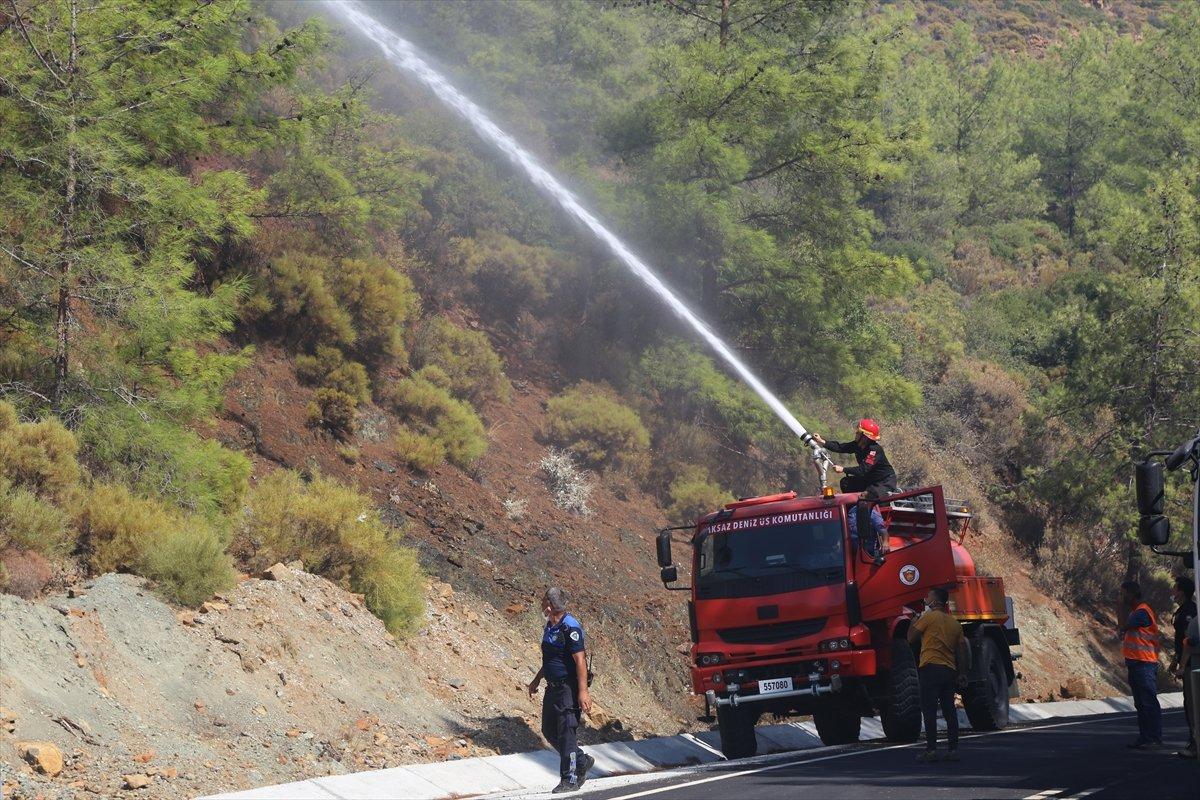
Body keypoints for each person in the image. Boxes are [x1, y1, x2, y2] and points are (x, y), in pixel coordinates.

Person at [528, 587, 595, 793]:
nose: (540, 605)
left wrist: (583, 691)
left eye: (542, 602)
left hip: (568, 688)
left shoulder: (570, 627)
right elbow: (550, 659)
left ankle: (570, 778)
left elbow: (580, 660)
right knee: (549, 730)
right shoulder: (550, 626)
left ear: (549, 605)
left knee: (567, 734)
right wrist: (536, 680)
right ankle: (581, 760)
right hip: (552, 688)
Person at [908, 586, 970, 762]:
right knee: (950, 710)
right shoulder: (954, 624)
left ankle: (931, 750)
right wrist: (962, 673)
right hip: (949, 671)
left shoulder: (928, 618)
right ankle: (953, 749)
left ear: (935, 601)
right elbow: (962, 651)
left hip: (930, 668)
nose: (926, 599)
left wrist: (914, 620)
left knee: (929, 710)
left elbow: (911, 638)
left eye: (928, 597)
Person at [1117, 580, 1162, 749]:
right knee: (1141, 703)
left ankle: (1154, 738)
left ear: (1131, 594)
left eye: (1122, 593)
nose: (1121, 597)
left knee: (1148, 701)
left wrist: (1119, 608)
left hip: (1145, 664)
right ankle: (1146, 737)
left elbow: (1122, 626)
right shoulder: (1136, 612)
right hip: (1137, 664)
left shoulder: (1142, 612)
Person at [812, 419, 898, 496]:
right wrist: (821, 441)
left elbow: (863, 470)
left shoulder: (874, 450)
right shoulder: (857, 445)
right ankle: (852, 508)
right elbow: (841, 447)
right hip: (870, 479)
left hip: (884, 482)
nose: (856, 434)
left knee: (870, 494)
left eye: (858, 433)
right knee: (846, 483)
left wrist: (843, 469)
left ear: (865, 437)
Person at [1170, 576, 1197, 757]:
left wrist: (1182, 665)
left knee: (1193, 704)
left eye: (1175, 588)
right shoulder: (1182, 610)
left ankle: (1195, 743)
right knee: (1189, 703)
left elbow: (1189, 641)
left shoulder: (1190, 612)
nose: (1172, 592)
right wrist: (1175, 659)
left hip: (1192, 663)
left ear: (1182, 591)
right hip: (1187, 661)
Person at [1180, 613, 1199, 759]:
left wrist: (1182, 666)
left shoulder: (1195, 622)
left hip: (1195, 670)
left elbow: (1189, 645)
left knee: (1194, 708)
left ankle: (1195, 745)